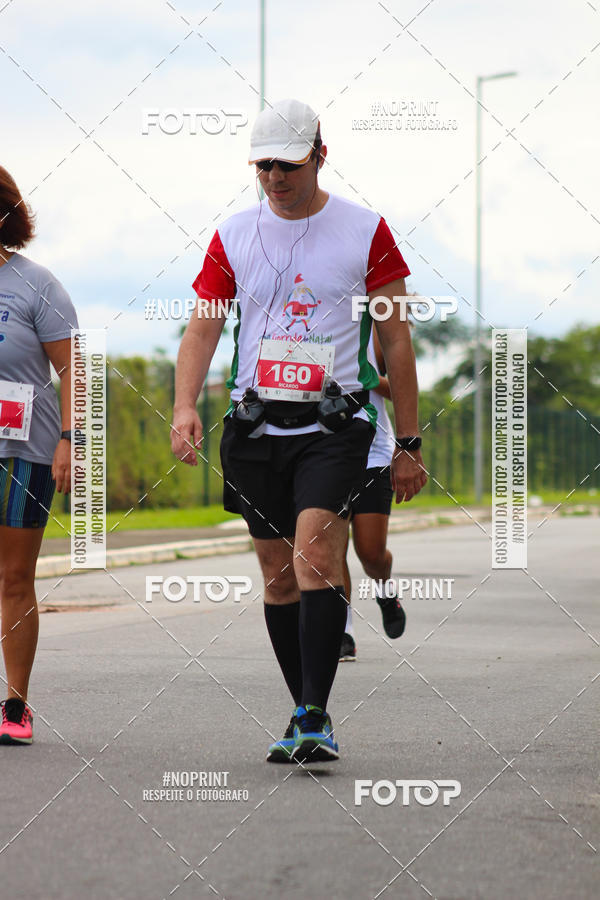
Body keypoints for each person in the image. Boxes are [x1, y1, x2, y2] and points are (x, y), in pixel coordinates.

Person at [171, 99, 427, 763]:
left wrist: (407, 441)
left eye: (286, 164)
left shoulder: (365, 231)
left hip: (333, 424)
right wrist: (184, 405)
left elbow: (397, 342)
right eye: (262, 166)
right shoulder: (233, 234)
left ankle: (315, 714)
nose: (274, 177)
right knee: (277, 575)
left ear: (319, 154)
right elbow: (202, 327)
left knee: (316, 552)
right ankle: (304, 707)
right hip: (256, 424)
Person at [0, 166, 77, 745]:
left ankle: (15, 706)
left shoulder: (36, 285)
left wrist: (71, 441)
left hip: (23, 452)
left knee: (12, 578)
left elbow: (73, 368)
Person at [340, 331, 406, 662]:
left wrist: (362, 372)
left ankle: (385, 590)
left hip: (372, 453)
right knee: (328, 548)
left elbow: (399, 389)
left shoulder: (377, 324)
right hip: (317, 450)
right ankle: (343, 631)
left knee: (371, 553)